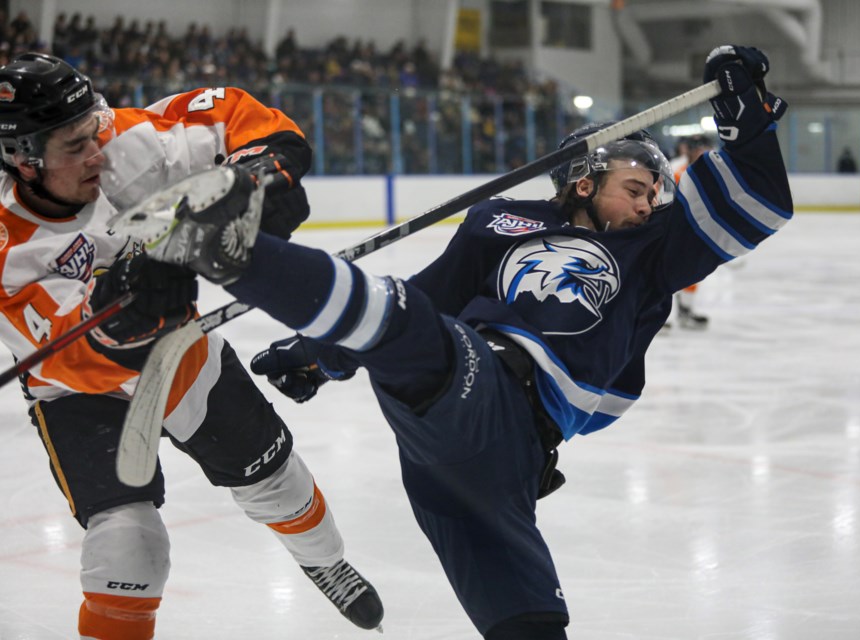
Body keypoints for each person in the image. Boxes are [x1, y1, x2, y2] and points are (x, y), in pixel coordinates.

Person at [133, 44, 791, 639]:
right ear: (584, 180)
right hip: (478, 389)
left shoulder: (653, 250)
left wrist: (748, 119)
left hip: (509, 465)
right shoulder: (498, 222)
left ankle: (229, 251)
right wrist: (320, 353)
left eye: (653, 193)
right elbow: (426, 300)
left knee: (528, 625)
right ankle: (223, 250)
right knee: (403, 315)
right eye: (637, 189)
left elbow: (758, 199)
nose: (650, 204)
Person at [0, 53, 383, 639]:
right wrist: (136, 293)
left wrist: (261, 172)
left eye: (91, 132)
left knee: (276, 483)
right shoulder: (8, 247)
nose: (96, 154)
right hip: (75, 391)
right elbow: (76, 357)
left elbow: (235, 115)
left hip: (183, 359)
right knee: (129, 548)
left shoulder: (124, 141)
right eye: (73, 147)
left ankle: (324, 562)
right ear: (22, 160)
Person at [670, 133, 716, 329]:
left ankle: (685, 311)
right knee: (667, 272)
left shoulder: (712, 170)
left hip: (694, 229)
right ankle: (662, 314)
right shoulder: (676, 170)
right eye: (699, 149)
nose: (704, 153)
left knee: (692, 272)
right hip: (673, 229)